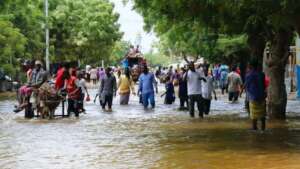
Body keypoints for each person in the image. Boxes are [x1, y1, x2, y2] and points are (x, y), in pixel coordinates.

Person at [243, 61, 267, 131]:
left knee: (254, 117)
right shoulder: (262, 74)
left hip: (253, 97)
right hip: (262, 97)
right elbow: (264, 86)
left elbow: (246, 86)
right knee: (263, 116)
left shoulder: (248, 75)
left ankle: (254, 130)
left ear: (251, 66)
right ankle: (263, 130)